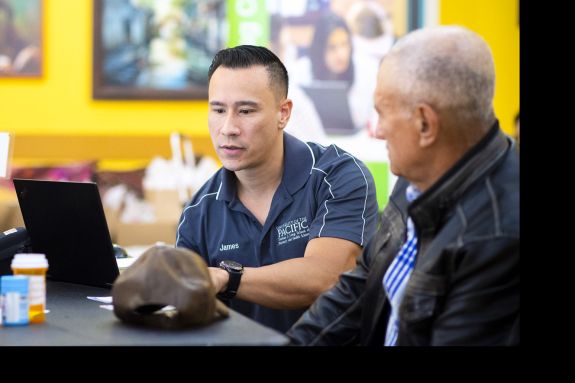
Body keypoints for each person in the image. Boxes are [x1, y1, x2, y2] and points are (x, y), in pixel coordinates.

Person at [286, 26, 520, 346]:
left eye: (382, 114)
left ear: (425, 124)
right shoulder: (417, 174)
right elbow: (360, 287)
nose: (378, 131)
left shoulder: (497, 235)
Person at [176, 45, 379, 332]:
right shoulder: (198, 212)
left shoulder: (339, 176)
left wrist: (226, 278)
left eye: (245, 111)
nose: (228, 127)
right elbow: (189, 305)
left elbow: (326, 277)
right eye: (218, 110)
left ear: (283, 113)